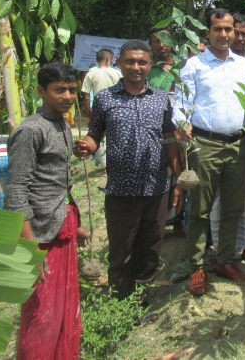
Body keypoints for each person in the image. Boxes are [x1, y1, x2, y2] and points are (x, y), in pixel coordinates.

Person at [75, 40, 182, 299]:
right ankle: (120, 300)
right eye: (130, 62)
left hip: (155, 188)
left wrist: (178, 180)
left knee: (150, 247)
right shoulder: (105, 98)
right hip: (120, 190)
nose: (136, 67)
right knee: (121, 250)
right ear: (119, 63)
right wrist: (86, 146)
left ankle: (141, 297)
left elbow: (169, 140)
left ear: (149, 65)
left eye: (142, 62)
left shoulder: (160, 100)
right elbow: (95, 133)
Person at [7, 62, 89, 359]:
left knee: (65, 309)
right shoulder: (30, 131)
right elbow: (16, 192)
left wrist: (74, 224)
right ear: (42, 91)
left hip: (60, 228)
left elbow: (58, 183)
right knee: (42, 314)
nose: (67, 96)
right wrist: (31, 250)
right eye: (59, 90)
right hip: (39, 236)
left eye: (71, 89)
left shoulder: (62, 124)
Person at [175, 9, 245, 293]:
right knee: (200, 208)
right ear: (207, 33)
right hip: (205, 143)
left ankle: (225, 259)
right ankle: (197, 267)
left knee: (234, 207)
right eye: (218, 29)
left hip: (238, 144)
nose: (224, 35)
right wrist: (182, 121)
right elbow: (182, 100)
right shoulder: (194, 65)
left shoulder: (244, 66)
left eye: (229, 29)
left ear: (235, 32)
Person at [207, 12, 245, 268]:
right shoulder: (206, 62)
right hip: (217, 142)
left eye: (243, 33)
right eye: (234, 32)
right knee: (220, 200)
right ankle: (219, 247)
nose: (237, 37)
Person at [81, 48, 120, 167]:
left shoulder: (91, 73)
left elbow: (86, 95)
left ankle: (102, 163)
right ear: (109, 59)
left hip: (98, 108)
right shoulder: (117, 73)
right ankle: (114, 161)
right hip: (116, 108)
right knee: (115, 135)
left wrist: (88, 112)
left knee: (97, 134)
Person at [147, 28, 175, 93]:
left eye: (164, 40)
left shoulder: (184, 66)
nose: (161, 45)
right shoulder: (145, 69)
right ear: (150, 44)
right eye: (157, 41)